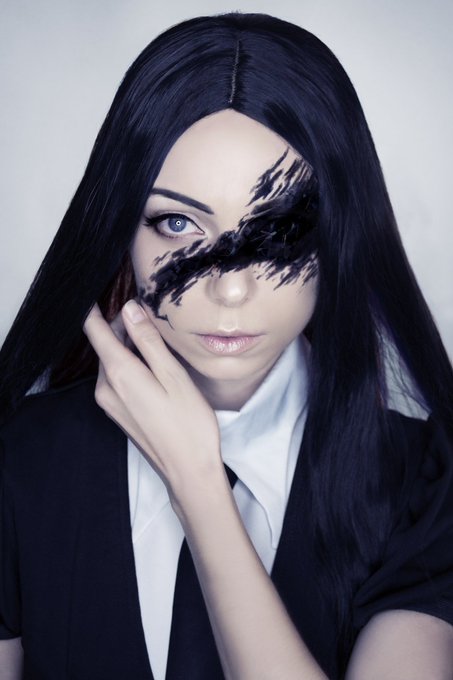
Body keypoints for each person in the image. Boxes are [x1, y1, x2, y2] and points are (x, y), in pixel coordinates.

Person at [0, 11, 452, 680]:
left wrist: (199, 487)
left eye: (282, 228)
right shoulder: (18, 462)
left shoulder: (422, 483)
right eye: (177, 223)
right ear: (121, 230)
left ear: (340, 232)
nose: (231, 288)